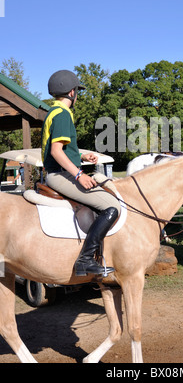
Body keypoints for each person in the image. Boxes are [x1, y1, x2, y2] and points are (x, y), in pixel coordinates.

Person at [41, 69, 120, 277]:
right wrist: (79, 174)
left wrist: (82, 157)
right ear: (71, 92)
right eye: (77, 91)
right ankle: (85, 260)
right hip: (60, 176)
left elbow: (61, 149)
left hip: (58, 172)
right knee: (112, 205)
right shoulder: (63, 114)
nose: (77, 95)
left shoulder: (54, 111)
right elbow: (56, 152)